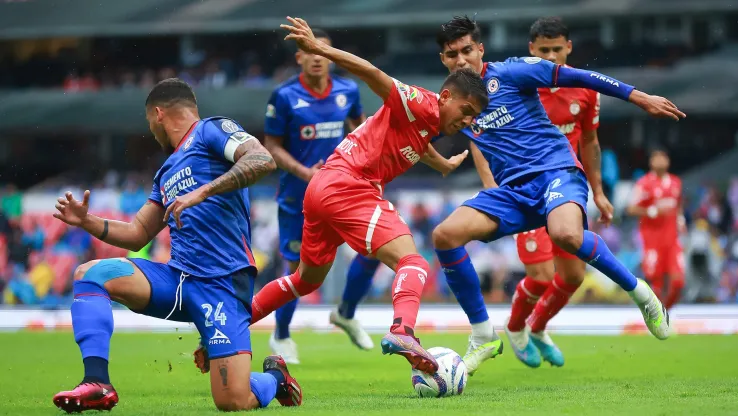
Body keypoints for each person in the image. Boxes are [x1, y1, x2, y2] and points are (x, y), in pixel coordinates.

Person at [431, 15, 684, 375]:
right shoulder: (446, 103)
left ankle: (641, 294)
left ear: (480, 49)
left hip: (556, 173)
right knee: (444, 235)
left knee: (566, 238)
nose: (461, 60)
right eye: (451, 54)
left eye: (467, 50)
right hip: (513, 193)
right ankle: (485, 334)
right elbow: (408, 132)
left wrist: (638, 96)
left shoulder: (514, 72)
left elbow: (580, 77)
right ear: (443, 60)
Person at [249, 16, 487, 375]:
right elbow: (373, 74)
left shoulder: (426, 124)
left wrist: (442, 165)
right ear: (446, 96)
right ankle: (402, 331)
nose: (467, 121)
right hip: (349, 184)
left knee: (305, 280)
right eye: (465, 112)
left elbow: (418, 144)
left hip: (322, 189)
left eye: (473, 118)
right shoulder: (420, 102)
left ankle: (231, 328)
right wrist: (320, 48)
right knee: (415, 262)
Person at [51, 78, 302, 412]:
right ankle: (98, 382)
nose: (151, 131)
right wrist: (87, 222)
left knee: (232, 401)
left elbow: (262, 160)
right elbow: (139, 232)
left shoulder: (211, 130)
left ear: (158, 114)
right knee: (91, 274)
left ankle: (276, 379)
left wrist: (202, 191)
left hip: (222, 284)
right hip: (178, 280)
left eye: (148, 123)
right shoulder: (166, 171)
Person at [502, 17, 614, 368]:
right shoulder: (520, 86)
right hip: (528, 186)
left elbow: (590, 141)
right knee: (540, 276)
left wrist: (598, 191)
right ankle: (516, 328)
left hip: (568, 189)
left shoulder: (584, 89)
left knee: (573, 277)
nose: (552, 57)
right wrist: (493, 183)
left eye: (557, 49)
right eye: (544, 50)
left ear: (569, 48)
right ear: (531, 50)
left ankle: (537, 327)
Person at [263, 27, 378, 363]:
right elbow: (272, 146)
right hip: (297, 197)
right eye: (309, 52)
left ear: (330, 56)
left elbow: (361, 131)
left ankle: (345, 311)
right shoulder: (283, 96)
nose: (316, 58)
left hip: (343, 191)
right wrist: (305, 172)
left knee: (374, 247)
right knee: (300, 269)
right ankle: (282, 335)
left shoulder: (348, 90)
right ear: (299, 57)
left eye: (322, 52)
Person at [627, 148, 686, 310]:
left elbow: (678, 205)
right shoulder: (644, 184)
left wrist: (680, 220)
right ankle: (658, 316)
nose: (660, 161)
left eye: (663, 157)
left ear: (668, 161)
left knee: (678, 281)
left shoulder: (675, 182)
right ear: (651, 162)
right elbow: (630, 208)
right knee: (656, 282)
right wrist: (650, 211)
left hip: (672, 239)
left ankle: (665, 311)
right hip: (652, 240)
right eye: (657, 157)